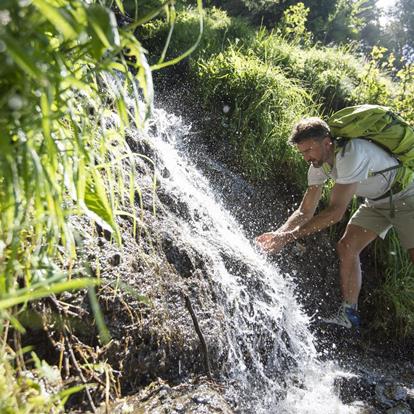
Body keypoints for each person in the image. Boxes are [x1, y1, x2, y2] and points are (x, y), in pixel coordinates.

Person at [256, 117, 414, 329]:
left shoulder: (351, 154)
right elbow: (304, 211)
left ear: (327, 143)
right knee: (347, 246)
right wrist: (278, 235)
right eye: (302, 152)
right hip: (376, 203)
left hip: (406, 197)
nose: (306, 157)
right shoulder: (318, 165)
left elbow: (335, 213)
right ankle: (349, 314)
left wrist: (289, 237)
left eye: (309, 149)